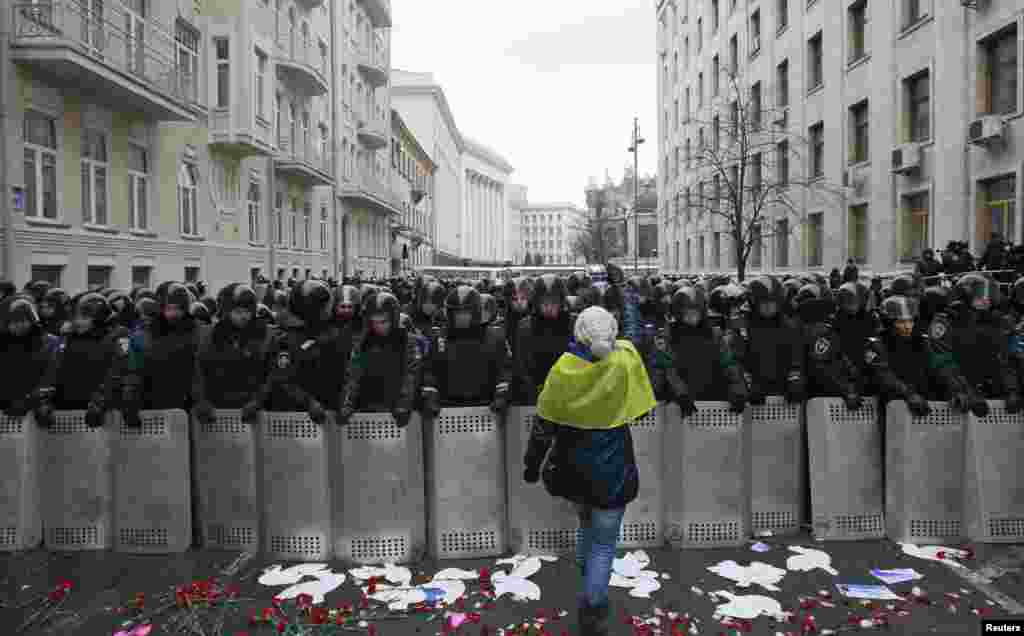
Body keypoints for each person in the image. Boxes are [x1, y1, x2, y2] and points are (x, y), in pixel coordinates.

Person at [522, 306, 656, 636]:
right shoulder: (624, 360)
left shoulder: (564, 369)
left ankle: (587, 583)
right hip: (613, 467)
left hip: (573, 468)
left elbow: (544, 424)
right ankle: (593, 606)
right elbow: (638, 401)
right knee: (604, 543)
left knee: (585, 524)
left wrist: (532, 464)